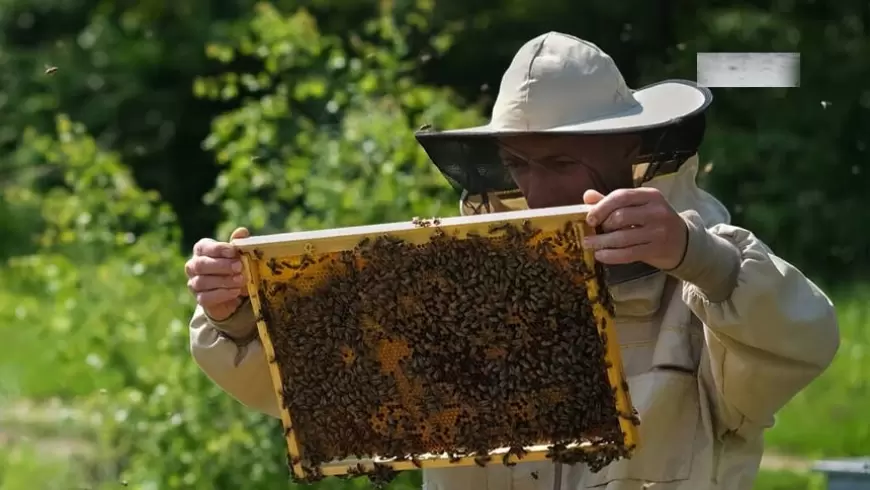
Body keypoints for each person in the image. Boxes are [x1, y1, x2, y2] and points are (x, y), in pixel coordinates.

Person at [186, 32, 840, 490]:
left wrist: (700, 259)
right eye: (521, 163)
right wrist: (241, 318)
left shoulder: (702, 274)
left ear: (631, 146)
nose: (538, 189)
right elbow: (330, 390)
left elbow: (805, 340)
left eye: (561, 162)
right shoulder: (453, 280)